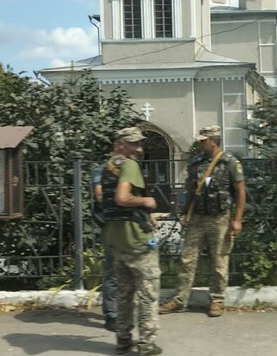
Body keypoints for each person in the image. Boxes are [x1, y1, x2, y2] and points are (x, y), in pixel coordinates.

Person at [160, 125, 246, 317]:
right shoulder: (196, 162)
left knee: (219, 261)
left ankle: (216, 301)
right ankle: (180, 300)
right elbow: (192, 188)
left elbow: (240, 191)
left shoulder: (229, 162)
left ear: (213, 141)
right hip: (198, 217)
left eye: (203, 140)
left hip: (220, 218)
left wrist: (237, 219)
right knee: (186, 259)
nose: (199, 143)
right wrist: (185, 212)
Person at [102, 127, 162, 356]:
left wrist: (144, 212)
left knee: (124, 295)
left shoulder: (107, 167)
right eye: (133, 144)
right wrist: (146, 201)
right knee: (148, 294)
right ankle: (146, 344)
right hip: (137, 241)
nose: (138, 148)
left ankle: (123, 341)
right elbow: (122, 198)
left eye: (139, 143)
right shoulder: (129, 165)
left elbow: (104, 200)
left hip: (117, 240)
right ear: (120, 143)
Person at [91, 162, 117, 332]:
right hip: (111, 225)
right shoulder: (102, 169)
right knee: (113, 271)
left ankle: (125, 311)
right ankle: (112, 315)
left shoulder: (133, 167)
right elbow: (99, 196)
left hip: (131, 227)